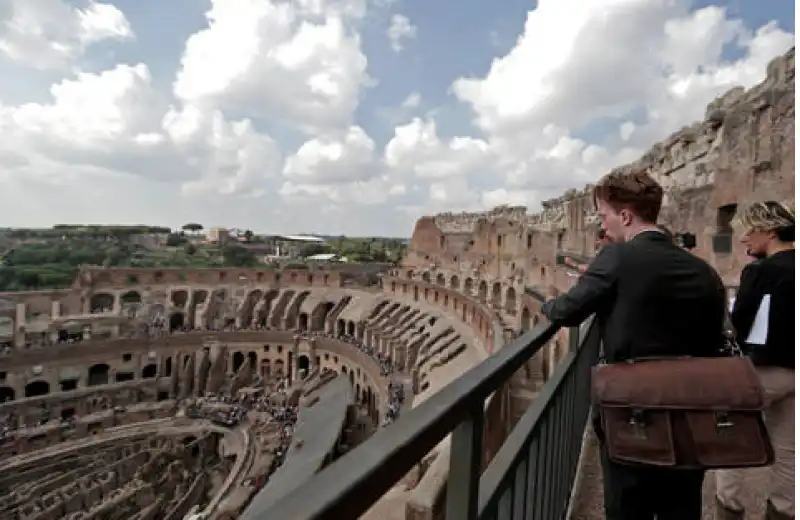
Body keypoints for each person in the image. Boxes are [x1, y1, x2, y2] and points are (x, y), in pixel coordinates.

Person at [541, 169, 726, 520]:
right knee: (682, 503)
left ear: (625, 216)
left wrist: (546, 305)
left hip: (634, 408)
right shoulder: (702, 270)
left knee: (628, 503)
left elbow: (567, 311)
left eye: (604, 216)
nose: (602, 227)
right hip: (692, 408)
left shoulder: (617, 258)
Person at [715, 201, 795, 520]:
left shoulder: (761, 271)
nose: (744, 239)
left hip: (763, 371)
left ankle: (729, 507)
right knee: (788, 452)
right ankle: (783, 512)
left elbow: (738, 324)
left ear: (769, 231)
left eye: (749, 231)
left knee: (728, 441)